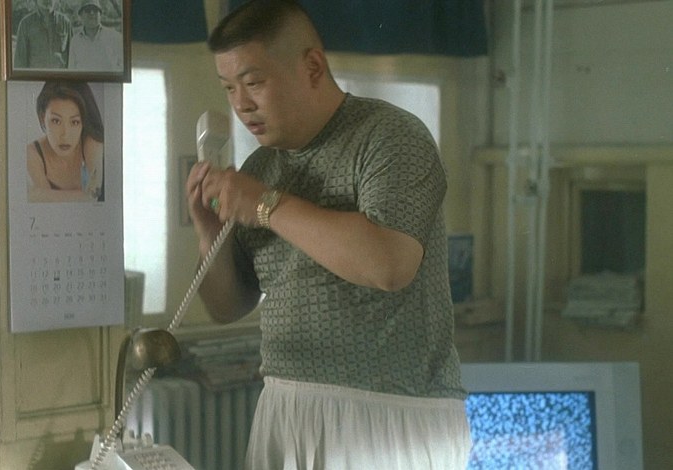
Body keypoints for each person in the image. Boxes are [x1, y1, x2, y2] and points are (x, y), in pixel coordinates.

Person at [185, 1, 472, 468]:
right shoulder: (261, 168)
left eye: (254, 82)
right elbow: (228, 307)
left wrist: (266, 206)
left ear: (313, 67)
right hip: (286, 405)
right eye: (229, 88)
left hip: (391, 412)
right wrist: (209, 234)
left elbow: (389, 265)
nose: (241, 105)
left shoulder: (390, 136)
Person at [27, 80, 104, 203]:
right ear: (42, 118)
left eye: (74, 122)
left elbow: (94, 194)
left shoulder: (92, 143)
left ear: (84, 122)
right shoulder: (33, 154)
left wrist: (40, 194)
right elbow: (46, 207)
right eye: (56, 121)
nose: (65, 135)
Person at [14, 0, 72, 70]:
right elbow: (20, 60)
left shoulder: (65, 22)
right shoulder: (26, 24)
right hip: (35, 75)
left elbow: (72, 56)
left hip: (60, 75)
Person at [68, 0, 124, 72]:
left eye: (95, 10)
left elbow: (122, 68)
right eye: (88, 10)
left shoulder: (115, 37)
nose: (92, 13)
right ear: (80, 15)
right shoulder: (75, 41)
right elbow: (72, 70)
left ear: (100, 14)